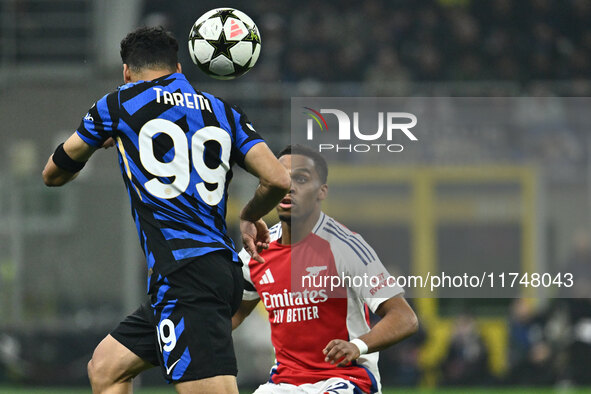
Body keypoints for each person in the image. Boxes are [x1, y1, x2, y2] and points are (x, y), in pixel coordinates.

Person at [42, 26, 290, 394]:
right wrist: (251, 214)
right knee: (106, 367)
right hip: (200, 272)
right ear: (178, 68)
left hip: (186, 273)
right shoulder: (223, 111)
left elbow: (52, 174)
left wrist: (101, 140)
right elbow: (278, 179)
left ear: (126, 72)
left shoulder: (118, 104)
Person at [232, 144, 419, 394]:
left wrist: (358, 345)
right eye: (282, 177)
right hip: (283, 383)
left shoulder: (346, 247)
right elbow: (234, 314)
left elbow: (404, 318)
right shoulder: (256, 251)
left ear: (322, 191)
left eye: (301, 178)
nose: (289, 186)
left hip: (345, 378)